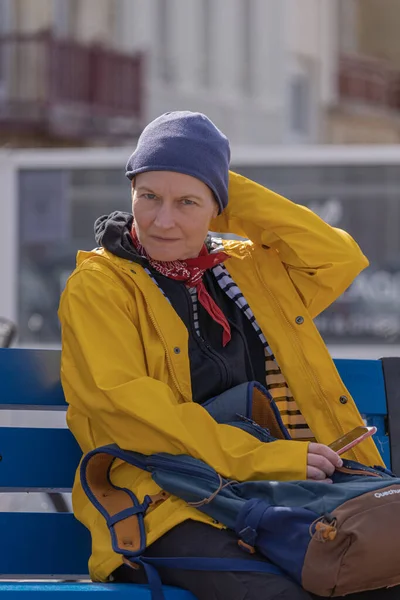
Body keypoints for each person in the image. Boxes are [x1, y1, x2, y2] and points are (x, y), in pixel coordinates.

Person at [58, 111, 396, 599]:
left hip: (287, 492)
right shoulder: (100, 286)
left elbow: (337, 257)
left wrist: (220, 184)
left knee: (381, 578)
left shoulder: (246, 272)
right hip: (166, 500)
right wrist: (265, 459)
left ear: (219, 206)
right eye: (148, 196)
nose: (162, 219)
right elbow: (132, 418)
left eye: (187, 202)